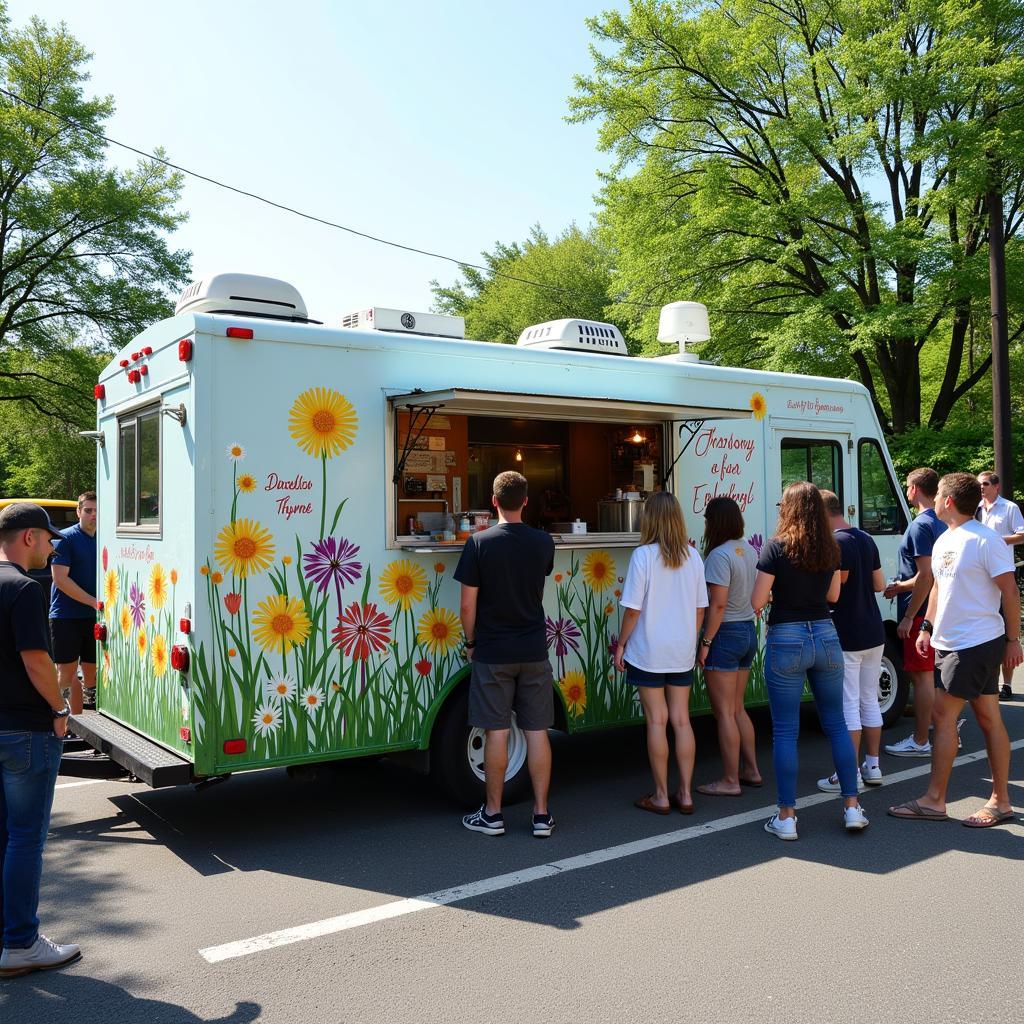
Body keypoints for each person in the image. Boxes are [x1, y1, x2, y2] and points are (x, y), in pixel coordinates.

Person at [889, 473, 1023, 827]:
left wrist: (1013, 639)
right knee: (988, 717)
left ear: (948, 501)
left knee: (942, 716)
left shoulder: (985, 540)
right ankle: (1001, 802)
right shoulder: (946, 539)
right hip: (949, 642)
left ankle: (935, 800)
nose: (932, 500)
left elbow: (1009, 592)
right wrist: (927, 627)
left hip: (975, 644)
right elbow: (936, 588)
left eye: (938, 497)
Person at [752, 482, 868, 839]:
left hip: (787, 636)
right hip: (826, 634)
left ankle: (787, 817)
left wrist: (775, 596)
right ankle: (852, 807)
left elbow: (757, 602)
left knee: (786, 730)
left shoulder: (776, 547)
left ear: (786, 509)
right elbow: (833, 594)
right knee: (836, 723)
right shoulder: (830, 547)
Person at [0, 503, 81, 978]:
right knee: (26, 838)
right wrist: (59, 709)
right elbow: (36, 663)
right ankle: (22, 943)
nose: (52, 547)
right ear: (28, 537)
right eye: (49, 539)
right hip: (26, 730)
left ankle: (8, 935)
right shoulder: (26, 589)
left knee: (5, 834)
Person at [455, 471, 556, 838]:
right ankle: (542, 815)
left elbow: (468, 606)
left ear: (493, 502)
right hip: (533, 648)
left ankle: (493, 815)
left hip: (494, 651)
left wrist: (470, 642)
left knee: (497, 731)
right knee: (536, 731)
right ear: (526, 501)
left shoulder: (478, 543)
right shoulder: (543, 542)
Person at [614, 491, 707, 814]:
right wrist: (689, 640)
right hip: (681, 650)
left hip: (648, 650)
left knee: (657, 721)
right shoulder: (693, 557)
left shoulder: (643, 556)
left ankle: (661, 796)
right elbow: (699, 610)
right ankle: (686, 794)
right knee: (682, 720)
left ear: (649, 519)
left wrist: (622, 644)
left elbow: (632, 611)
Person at [815, 490, 886, 793]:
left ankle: (848, 773)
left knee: (848, 705)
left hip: (847, 632)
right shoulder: (865, 538)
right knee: (869, 700)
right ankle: (873, 765)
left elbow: (835, 589)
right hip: (873, 629)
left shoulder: (835, 543)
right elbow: (880, 584)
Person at [695, 496, 762, 796]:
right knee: (737, 709)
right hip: (748, 632)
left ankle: (730, 780)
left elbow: (717, 605)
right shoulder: (748, 550)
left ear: (715, 522)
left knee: (723, 713)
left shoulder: (718, 556)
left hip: (725, 634)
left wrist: (706, 642)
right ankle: (752, 770)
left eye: (708, 520)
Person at [883, 468, 947, 757]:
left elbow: (925, 576)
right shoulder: (941, 521)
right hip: (935, 608)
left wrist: (909, 616)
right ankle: (939, 727)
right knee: (931, 676)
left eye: (907, 486)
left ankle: (920, 741)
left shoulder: (921, 525)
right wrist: (900, 586)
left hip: (921, 612)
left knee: (921, 677)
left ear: (914, 490)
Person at [49, 491, 99, 715]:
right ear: (78, 512)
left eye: (97, 511)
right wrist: (92, 601)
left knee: (92, 671)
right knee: (67, 673)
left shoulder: (106, 537)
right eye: (88, 510)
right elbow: (60, 579)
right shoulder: (65, 539)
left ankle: (87, 726)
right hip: (66, 616)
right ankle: (58, 717)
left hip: (95, 615)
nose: (93, 515)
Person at [976, 471, 1024, 700]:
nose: (981, 488)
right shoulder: (975, 508)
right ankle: (988, 682)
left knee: (1006, 631)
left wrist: (997, 540)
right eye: (979, 485)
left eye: (985, 484)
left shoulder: (1009, 508)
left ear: (996, 486)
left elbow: (1022, 535)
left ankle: (1006, 684)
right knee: (985, 628)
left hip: (1002, 573)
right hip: (980, 575)